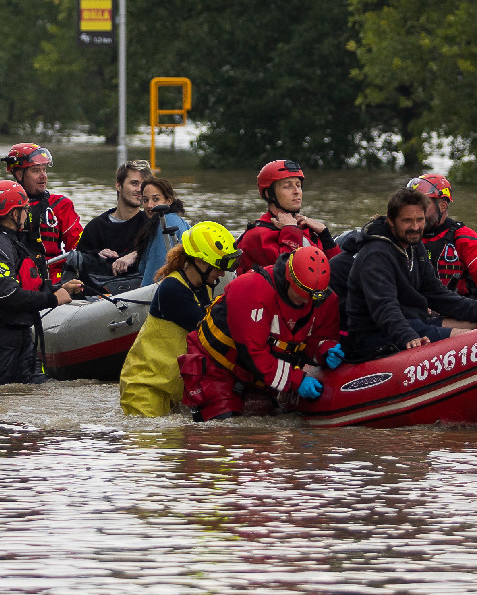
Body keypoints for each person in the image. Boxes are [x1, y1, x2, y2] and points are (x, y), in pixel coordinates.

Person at [335, 187, 477, 360]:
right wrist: (407, 336)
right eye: (407, 221)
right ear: (391, 220)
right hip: (377, 335)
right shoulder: (376, 254)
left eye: (420, 219)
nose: (415, 227)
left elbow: (437, 293)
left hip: (412, 321)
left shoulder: (414, 246)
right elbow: (384, 306)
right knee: (471, 339)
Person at [185, 243, 342, 420]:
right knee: (223, 425)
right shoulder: (252, 288)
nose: (305, 303)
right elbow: (253, 353)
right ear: (288, 280)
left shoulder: (323, 299)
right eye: (300, 297)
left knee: (265, 422)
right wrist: (296, 379)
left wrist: (324, 349)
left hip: (259, 376)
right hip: (218, 366)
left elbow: (313, 339)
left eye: (311, 299)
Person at [0, 179, 85, 386]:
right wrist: (53, 299)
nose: (28, 214)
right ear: (13, 213)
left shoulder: (11, 241)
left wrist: (58, 289)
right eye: (25, 209)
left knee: (35, 393)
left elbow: (25, 286)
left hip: (17, 337)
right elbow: (8, 295)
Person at [118, 220, 236, 417]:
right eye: (219, 266)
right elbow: (208, 331)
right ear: (199, 261)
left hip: (173, 386)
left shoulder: (204, 285)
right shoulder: (173, 289)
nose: (222, 273)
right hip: (145, 387)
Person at [409, 172, 477, 306]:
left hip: (459, 311)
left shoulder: (465, 238)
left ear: (442, 206)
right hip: (415, 312)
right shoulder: (404, 235)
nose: (415, 211)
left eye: (422, 204)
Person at [235, 158, 337, 272]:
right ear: (269, 194)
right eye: (287, 186)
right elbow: (287, 274)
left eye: (298, 185)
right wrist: (291, 230)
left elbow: (338, 274)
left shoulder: (304, 227)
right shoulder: (256, 235)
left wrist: (326, 236)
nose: (296, 191)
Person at [2, 142, 82, 268]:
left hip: (54, 278)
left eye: (44, 169)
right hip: (13, 276)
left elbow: (79, 246)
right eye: (36, 170)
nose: (43, 176)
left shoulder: (61, 205)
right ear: (18, 174)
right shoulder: (1, 206)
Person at [77, 159, 153, 290]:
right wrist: (98, 255)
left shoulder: (151, 223)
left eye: (144, 185)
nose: (140, 189)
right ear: (118, 185)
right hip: (100, 297)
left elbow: (163, 253)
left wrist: (135, 255)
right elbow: (80, 262)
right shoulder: (96, 226)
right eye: (134, 183)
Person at [131, 174, 193, 286]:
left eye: (156, 199)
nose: (149, 205)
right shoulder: (177, 219)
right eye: (145, 200)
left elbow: (155, 274)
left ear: (168, 201)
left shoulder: (164, 224)